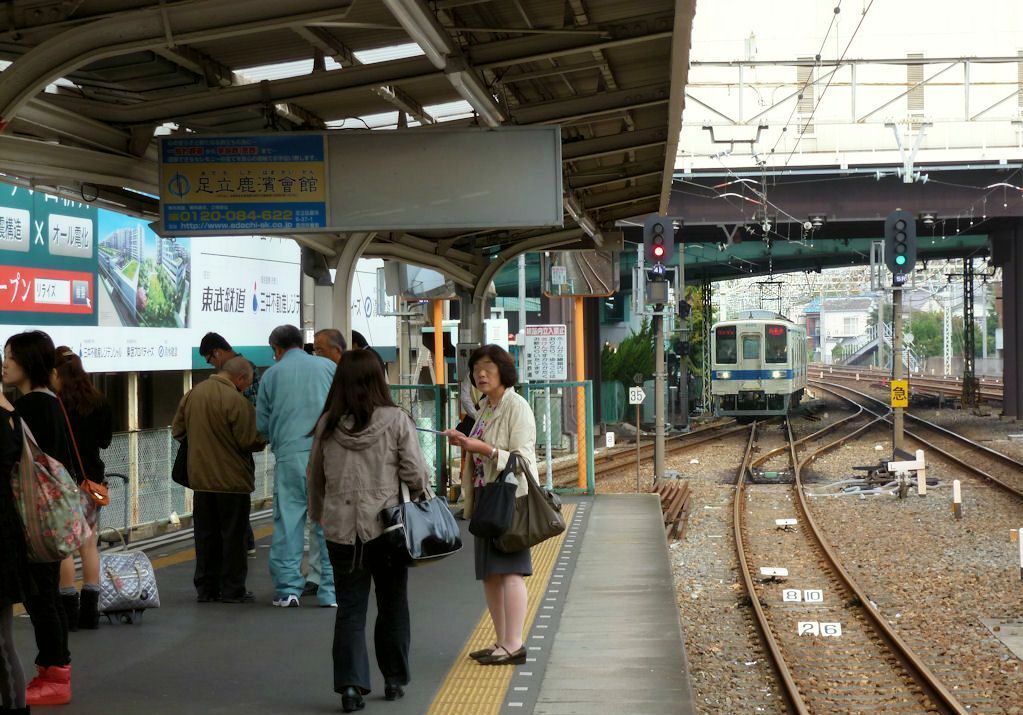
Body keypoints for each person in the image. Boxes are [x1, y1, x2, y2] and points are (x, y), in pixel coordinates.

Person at [308, 349, 429, 712]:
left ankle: (350, 686)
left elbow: (315, 477)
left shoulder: (327, 424)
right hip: (389, 529)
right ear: (379, 378)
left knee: (350, 609)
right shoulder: (396, 420)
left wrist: (320, 516)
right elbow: (415, 473)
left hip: (341, 530)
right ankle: (393, 679)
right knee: (393, 604)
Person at [444, 345, 537, 667]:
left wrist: (484, 449)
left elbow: (523, 458)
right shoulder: (485, 407)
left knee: (510, 570)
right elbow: (479, 448)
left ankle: (514, 644)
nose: (481, 374)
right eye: (476, 369)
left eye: (488, 368)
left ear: (503, 372)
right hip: (485, 498)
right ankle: (501, 640)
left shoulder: (516, 406)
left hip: (509, 496)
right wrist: (463, 440)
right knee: (490, 573)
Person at [2, 331, 74, 706]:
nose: (5, 363)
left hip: (33, 517)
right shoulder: (50, 401)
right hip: (48, 516)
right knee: (46, 597)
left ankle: (55, 675)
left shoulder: (30, 407)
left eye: (10, 356)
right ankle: (54, 672)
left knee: (42, 599)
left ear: (28, 361)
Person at [173, 357, 265, 603]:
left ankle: (206, 588)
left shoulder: (193, 394)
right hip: (232, 481)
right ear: (241, 378)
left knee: (206, 536)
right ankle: (233, 589)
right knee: (233, 538)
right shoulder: (237, 401)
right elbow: (250, 440)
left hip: (201, 480)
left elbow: (178, 431)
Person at [257, 325, 336, 608]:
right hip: (327, 455)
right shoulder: (327, 367)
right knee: (326, 522)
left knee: (289, 521)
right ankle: (330, 590)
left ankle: (288, 589)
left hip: (290, 456)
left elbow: (263, 424)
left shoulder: (271, 375)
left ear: (276, 349)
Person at [52, 347, 113, 631]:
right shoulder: (98, 401)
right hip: (92, 480)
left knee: (65, 547)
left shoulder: (54, 403)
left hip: (62, 481)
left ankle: (67, 612)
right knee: (89, 544)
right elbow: (105, 441)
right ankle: (90, 614)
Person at [198, 333, 259, 555]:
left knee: (229, 507)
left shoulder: (242, 372)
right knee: (233, 505)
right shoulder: (228, 381)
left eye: (210, 359)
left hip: (229, 453)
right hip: (232, 454)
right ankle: (244, 542)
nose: (211, 364)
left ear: (217, 352)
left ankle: (242, 544)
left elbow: (248, 414)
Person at [0, 351, 29, 714]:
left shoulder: (4, 418)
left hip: (2, 537)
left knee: (2, 641)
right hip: (7, 531)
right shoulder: (12, 414)